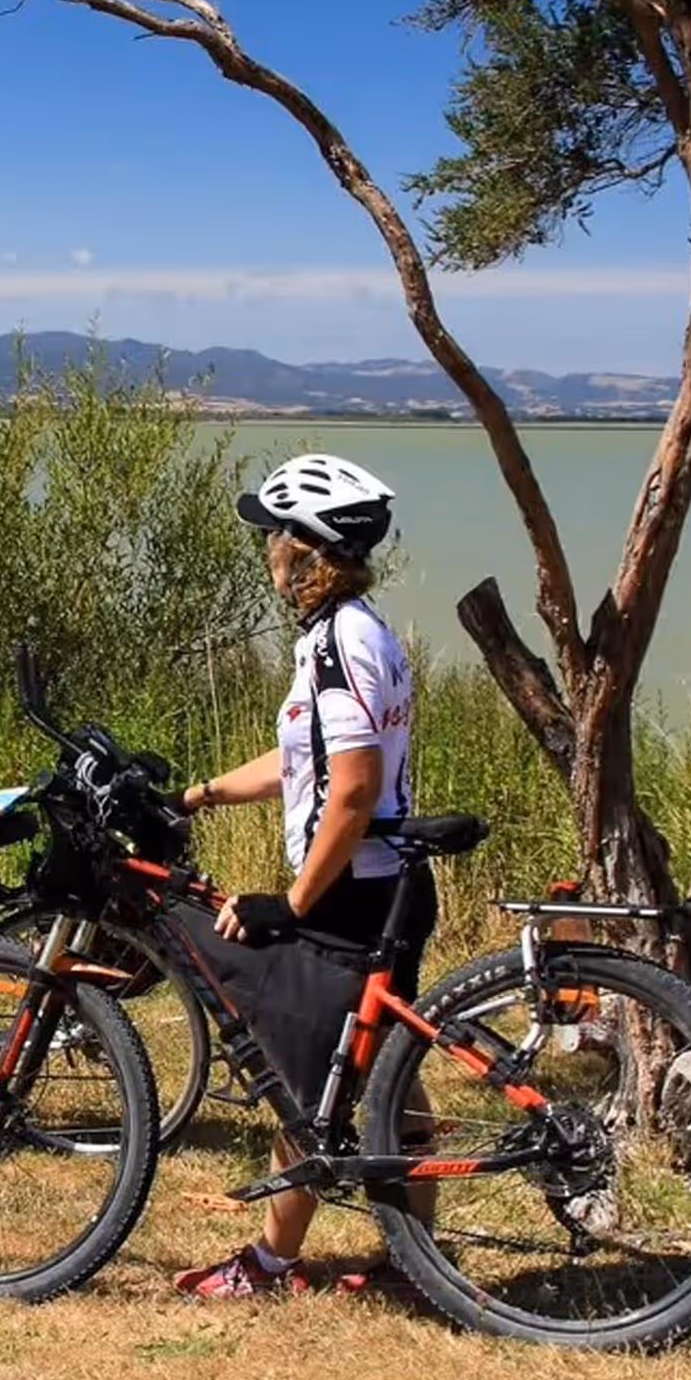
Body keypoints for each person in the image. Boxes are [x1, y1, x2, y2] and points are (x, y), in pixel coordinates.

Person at [165, 453, 433, 1298]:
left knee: (304, 1084)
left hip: (355, 893)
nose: (269, 547)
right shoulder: (352, 631)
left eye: (278, 533)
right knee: (384, 1079)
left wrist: (291, 902)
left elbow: (350, 792)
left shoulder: (338, 644)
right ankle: (415, 1265)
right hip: (383, 882)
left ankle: (274, 1264)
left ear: (312, 548)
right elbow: (300, 763)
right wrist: (201, 793)